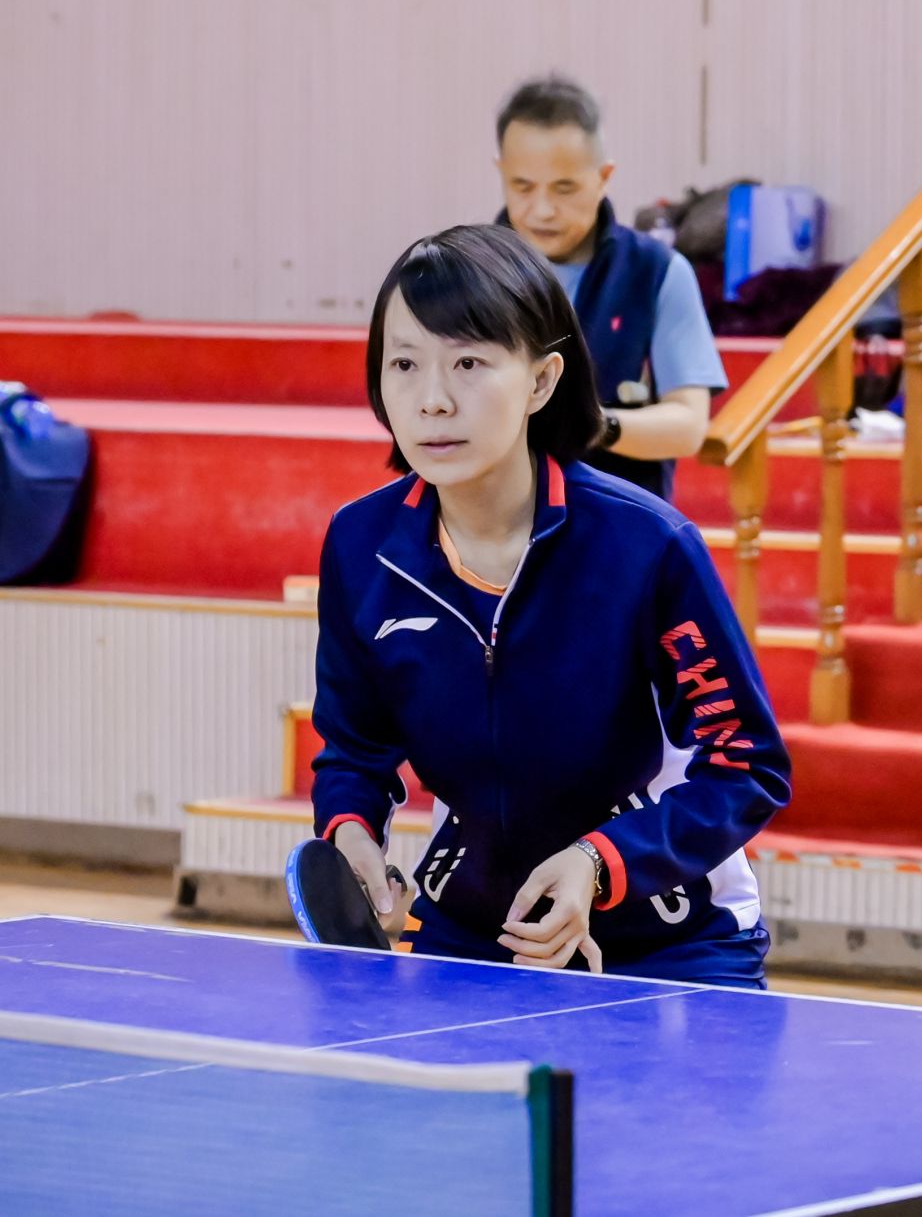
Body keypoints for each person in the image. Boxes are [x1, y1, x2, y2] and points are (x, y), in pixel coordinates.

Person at [311, 224, 789, 987]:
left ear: (541, 381)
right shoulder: (361, 546)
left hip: (671, 937)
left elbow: (746, 764)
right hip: (473, 927)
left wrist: (600, 862)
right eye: (404, 363)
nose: (432, 399)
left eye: (469, 363)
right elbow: (353, 745)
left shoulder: (647, 548)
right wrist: (351, 832)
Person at [495, 74, 727, 499]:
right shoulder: (470, 270)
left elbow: (689, 425)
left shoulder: (656, 271)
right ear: (502, 172)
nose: (542, 210)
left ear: (604, 177)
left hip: (620, 516)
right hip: (495, 518)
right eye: (522, 186)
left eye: (564, 188)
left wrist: (595, 425)